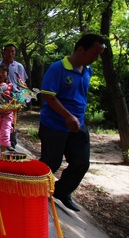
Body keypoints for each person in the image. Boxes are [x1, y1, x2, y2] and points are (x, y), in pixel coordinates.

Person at [39, 34, 105, 212]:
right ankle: (33, 191)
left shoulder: (88, 70)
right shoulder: (57, 68)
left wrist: (76, 117)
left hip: (78, 124)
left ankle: (61, 191)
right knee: (50, 163)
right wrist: (67, 116)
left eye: (100, 54)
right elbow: (48, 96)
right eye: (94, 53)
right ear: (81, 49)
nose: (96, 58)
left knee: (81, 162)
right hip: (54, 124)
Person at [0, 43, 28, 149]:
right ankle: (0, 140)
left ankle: (12, 142)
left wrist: (24, 98)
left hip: (15, 97)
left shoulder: (19, 66)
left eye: (13, 51)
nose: (11, 53)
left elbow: (23, 83)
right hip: (1, 96)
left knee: (13, 120)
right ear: (4, 52)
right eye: (8, 51)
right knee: (1, 119)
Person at [0, 64, 15, 152]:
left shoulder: (10, 87)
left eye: (3, 72)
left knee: (5, 134)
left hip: (7, 114)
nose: (0, 74)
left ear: (7, 74)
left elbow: (14, 100)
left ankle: (3, 154)